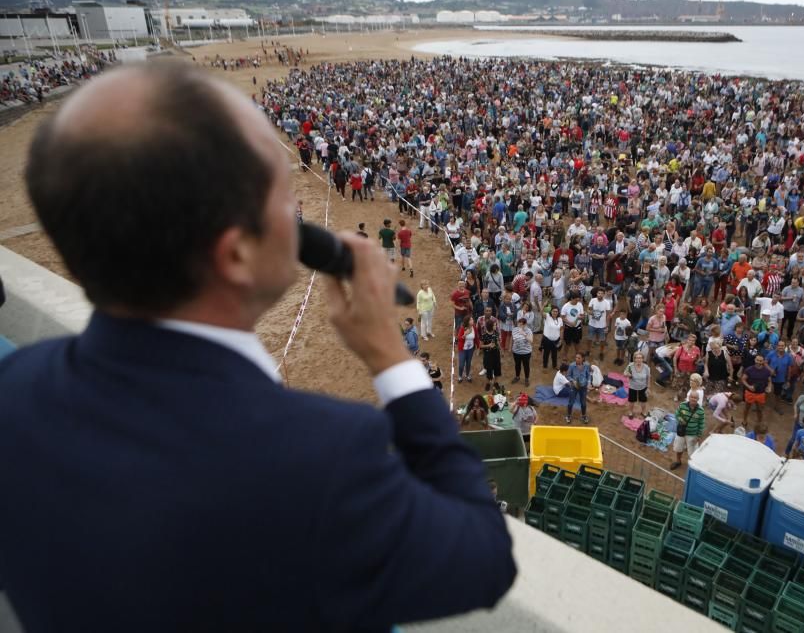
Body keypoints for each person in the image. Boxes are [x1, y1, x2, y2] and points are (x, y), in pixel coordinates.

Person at [0, 63, 515, 631]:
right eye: (285, 195)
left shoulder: (17, 389)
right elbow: (484, 558)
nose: (300, 218)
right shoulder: (322, 457)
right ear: (237, 253)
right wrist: (392, 359)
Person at [670, 391, 706, 470]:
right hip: (681, 432)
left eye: (695, 398)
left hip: (692, 434)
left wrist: (698, 436)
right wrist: (680, 419)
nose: (693, 399)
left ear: (698, 399)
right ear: (689, 397)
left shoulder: (701, 411)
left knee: (693, 453)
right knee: (678, 448)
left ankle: (692, 467)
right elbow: (677, 413)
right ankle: (678, 461)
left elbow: (701, 424)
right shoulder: (682, 405)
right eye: (692, 397)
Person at [740, 354, 773, 426]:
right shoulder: (749, 369)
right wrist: (749, 386)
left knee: (760, 409)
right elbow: (743, 379)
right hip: (750, 392)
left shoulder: (767, 371)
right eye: (757, 360)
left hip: (761, 393)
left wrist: (769, 387)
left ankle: (760, 422)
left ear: (763, 361)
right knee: (747, 408)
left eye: (760, 361)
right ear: (755, 360)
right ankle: (744, 420)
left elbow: (769, 381)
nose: (759, 362)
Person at [566, 352, 591, 424]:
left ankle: (583, 416)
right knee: (571, 402)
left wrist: (589, 383)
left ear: (583, 359)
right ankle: (568, 416)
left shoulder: (586, 365)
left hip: (583, 386)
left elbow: (588, 375)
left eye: (579, 358)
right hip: (574, 387)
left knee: (583, 403)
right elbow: (568, 376)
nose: (577, 359)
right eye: (576, 357)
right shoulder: (572, 365)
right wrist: (572, 381)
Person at [624, 352, 651, 418]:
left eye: (640, 358)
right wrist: (627, 374)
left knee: (643, 401)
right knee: (631, 401)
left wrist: (648, 387)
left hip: (643, 387)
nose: (639, 359)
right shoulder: (630, 366)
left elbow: (648, 377)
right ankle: (630, 412)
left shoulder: (646, 367)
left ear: (642, 359)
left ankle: (643, 412)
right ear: (634, 359)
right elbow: (625, 373)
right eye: (637, 358)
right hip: (633, 387)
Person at [479, 316, 502, 391]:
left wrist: (501, 350)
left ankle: (496, 383)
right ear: (490, 326)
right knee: (489, 369)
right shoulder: (484, 335)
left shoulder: (496, 333)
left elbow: (498, 342)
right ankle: (488, 383)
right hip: (488, 355)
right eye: (494, 325)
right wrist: (488, 345)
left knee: (497, 368)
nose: (496, 326)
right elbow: (480, 345)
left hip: (496, 353)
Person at [511, 317, 533, 385]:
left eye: (522, 324)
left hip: (526, 352)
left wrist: (523, 333)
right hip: (516, 352)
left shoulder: (528, 331)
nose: (520, 325)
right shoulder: (514, 330)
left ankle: (526, 379)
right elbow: (512, 339)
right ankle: (517, 377)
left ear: (525, 324)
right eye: (519, 324)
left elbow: (531, 341)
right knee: (517, 365)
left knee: (526, 365)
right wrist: (510, 347)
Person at [455, 315, 477, 383]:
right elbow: (458, 339)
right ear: (467, 322)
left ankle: (467, 375)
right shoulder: (462, 328)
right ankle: (460, 376)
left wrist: (478, 346)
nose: (472, 321)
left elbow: (476, 337)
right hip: (463, 349)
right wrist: (464, 335)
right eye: (471, 320)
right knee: (461, 364)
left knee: (468, 363)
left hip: (470, 349)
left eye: (472, 319)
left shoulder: (474, 327)